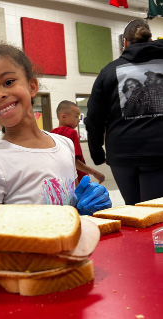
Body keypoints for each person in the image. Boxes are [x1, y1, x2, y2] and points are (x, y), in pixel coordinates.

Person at [0, 44, 111, 233]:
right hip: (26, 259)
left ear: (32, 86)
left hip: (72, 253)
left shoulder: (64, 144)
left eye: (8, 82)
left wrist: (86, 208)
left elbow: (72, 203)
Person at [85, 19, 163, 205]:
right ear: (150, 39)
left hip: (122, 154)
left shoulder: (109, 71)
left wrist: (97, 153)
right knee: (157, 216)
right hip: (158, 151)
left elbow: (94, 118)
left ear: (124, 43)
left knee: (134, 210)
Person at [51, 100, 105, 184]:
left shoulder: (52, 133)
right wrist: (95, 172)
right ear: (63, 117)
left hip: (63, 179)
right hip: (78, 180)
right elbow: (75, 162)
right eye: (76, 116)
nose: (79, 120)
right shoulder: (71, 132)